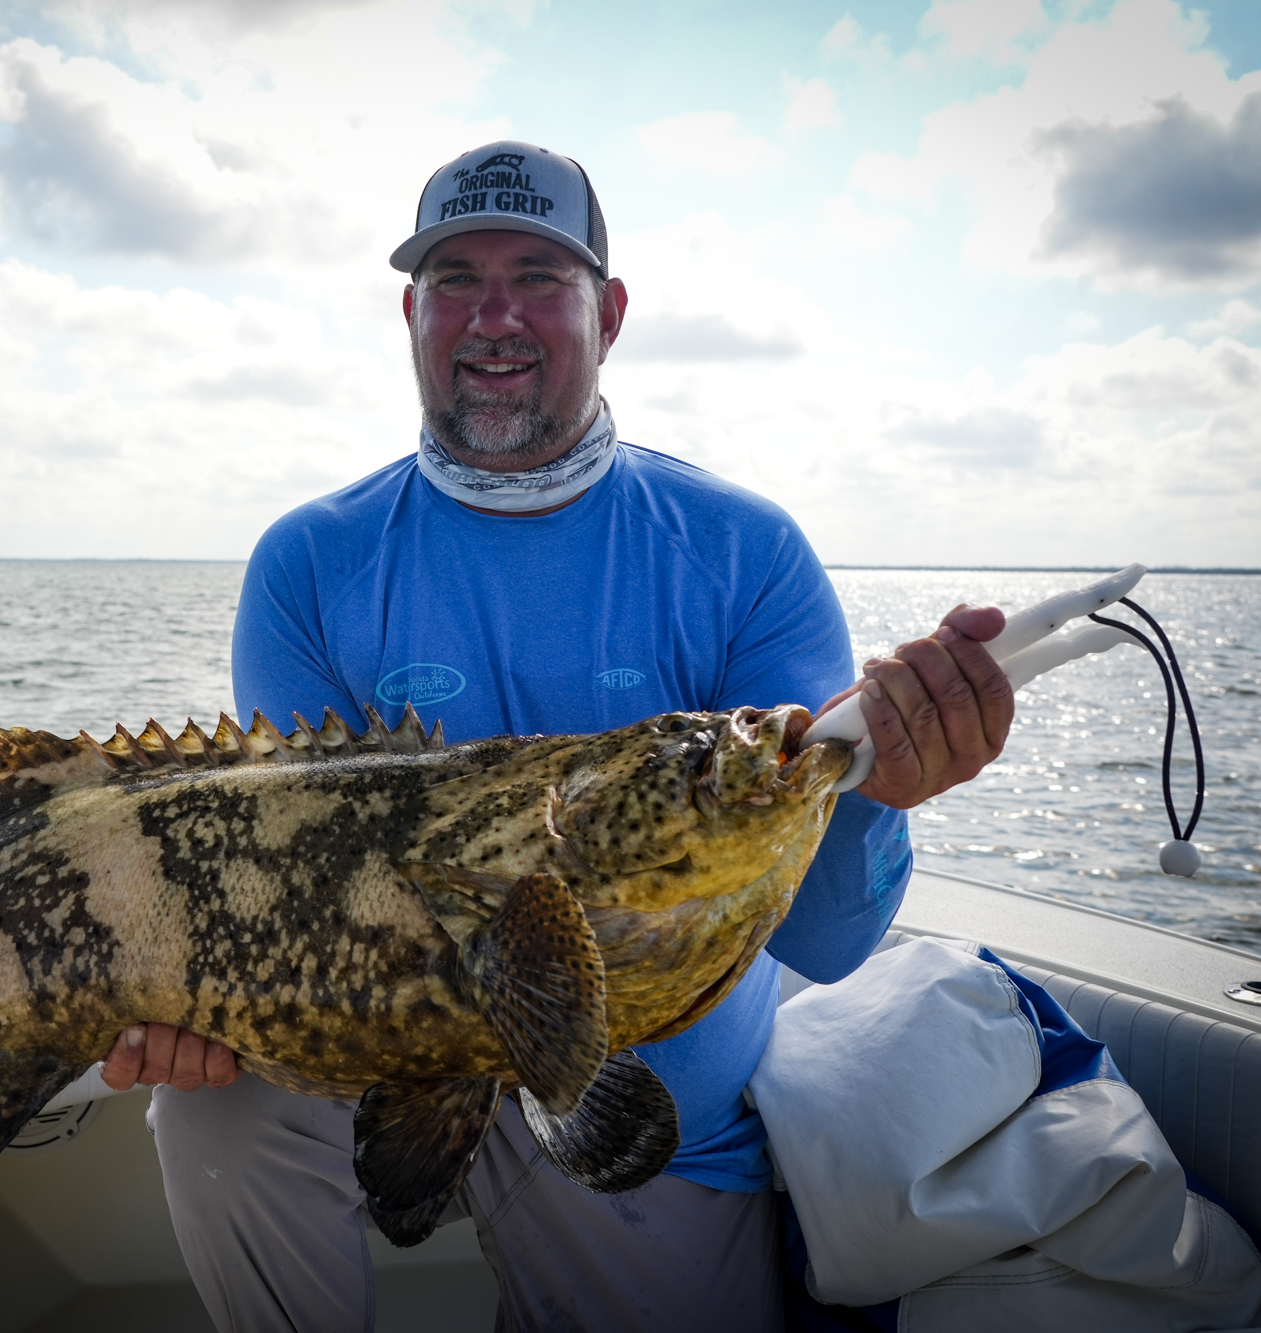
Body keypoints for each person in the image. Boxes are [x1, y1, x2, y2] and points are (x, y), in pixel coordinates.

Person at [97, 141, 1015, 1332]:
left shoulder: (745, 552)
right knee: (212, 1110)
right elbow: (289, 889)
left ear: (609, 311)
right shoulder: (307, 562)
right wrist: (167, 997)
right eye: (456, 278)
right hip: (374, 1050)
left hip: (651, 1091)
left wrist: (885, 787)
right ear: (410, 310)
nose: (494, 316)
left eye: (538, 276)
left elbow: (829, 944)